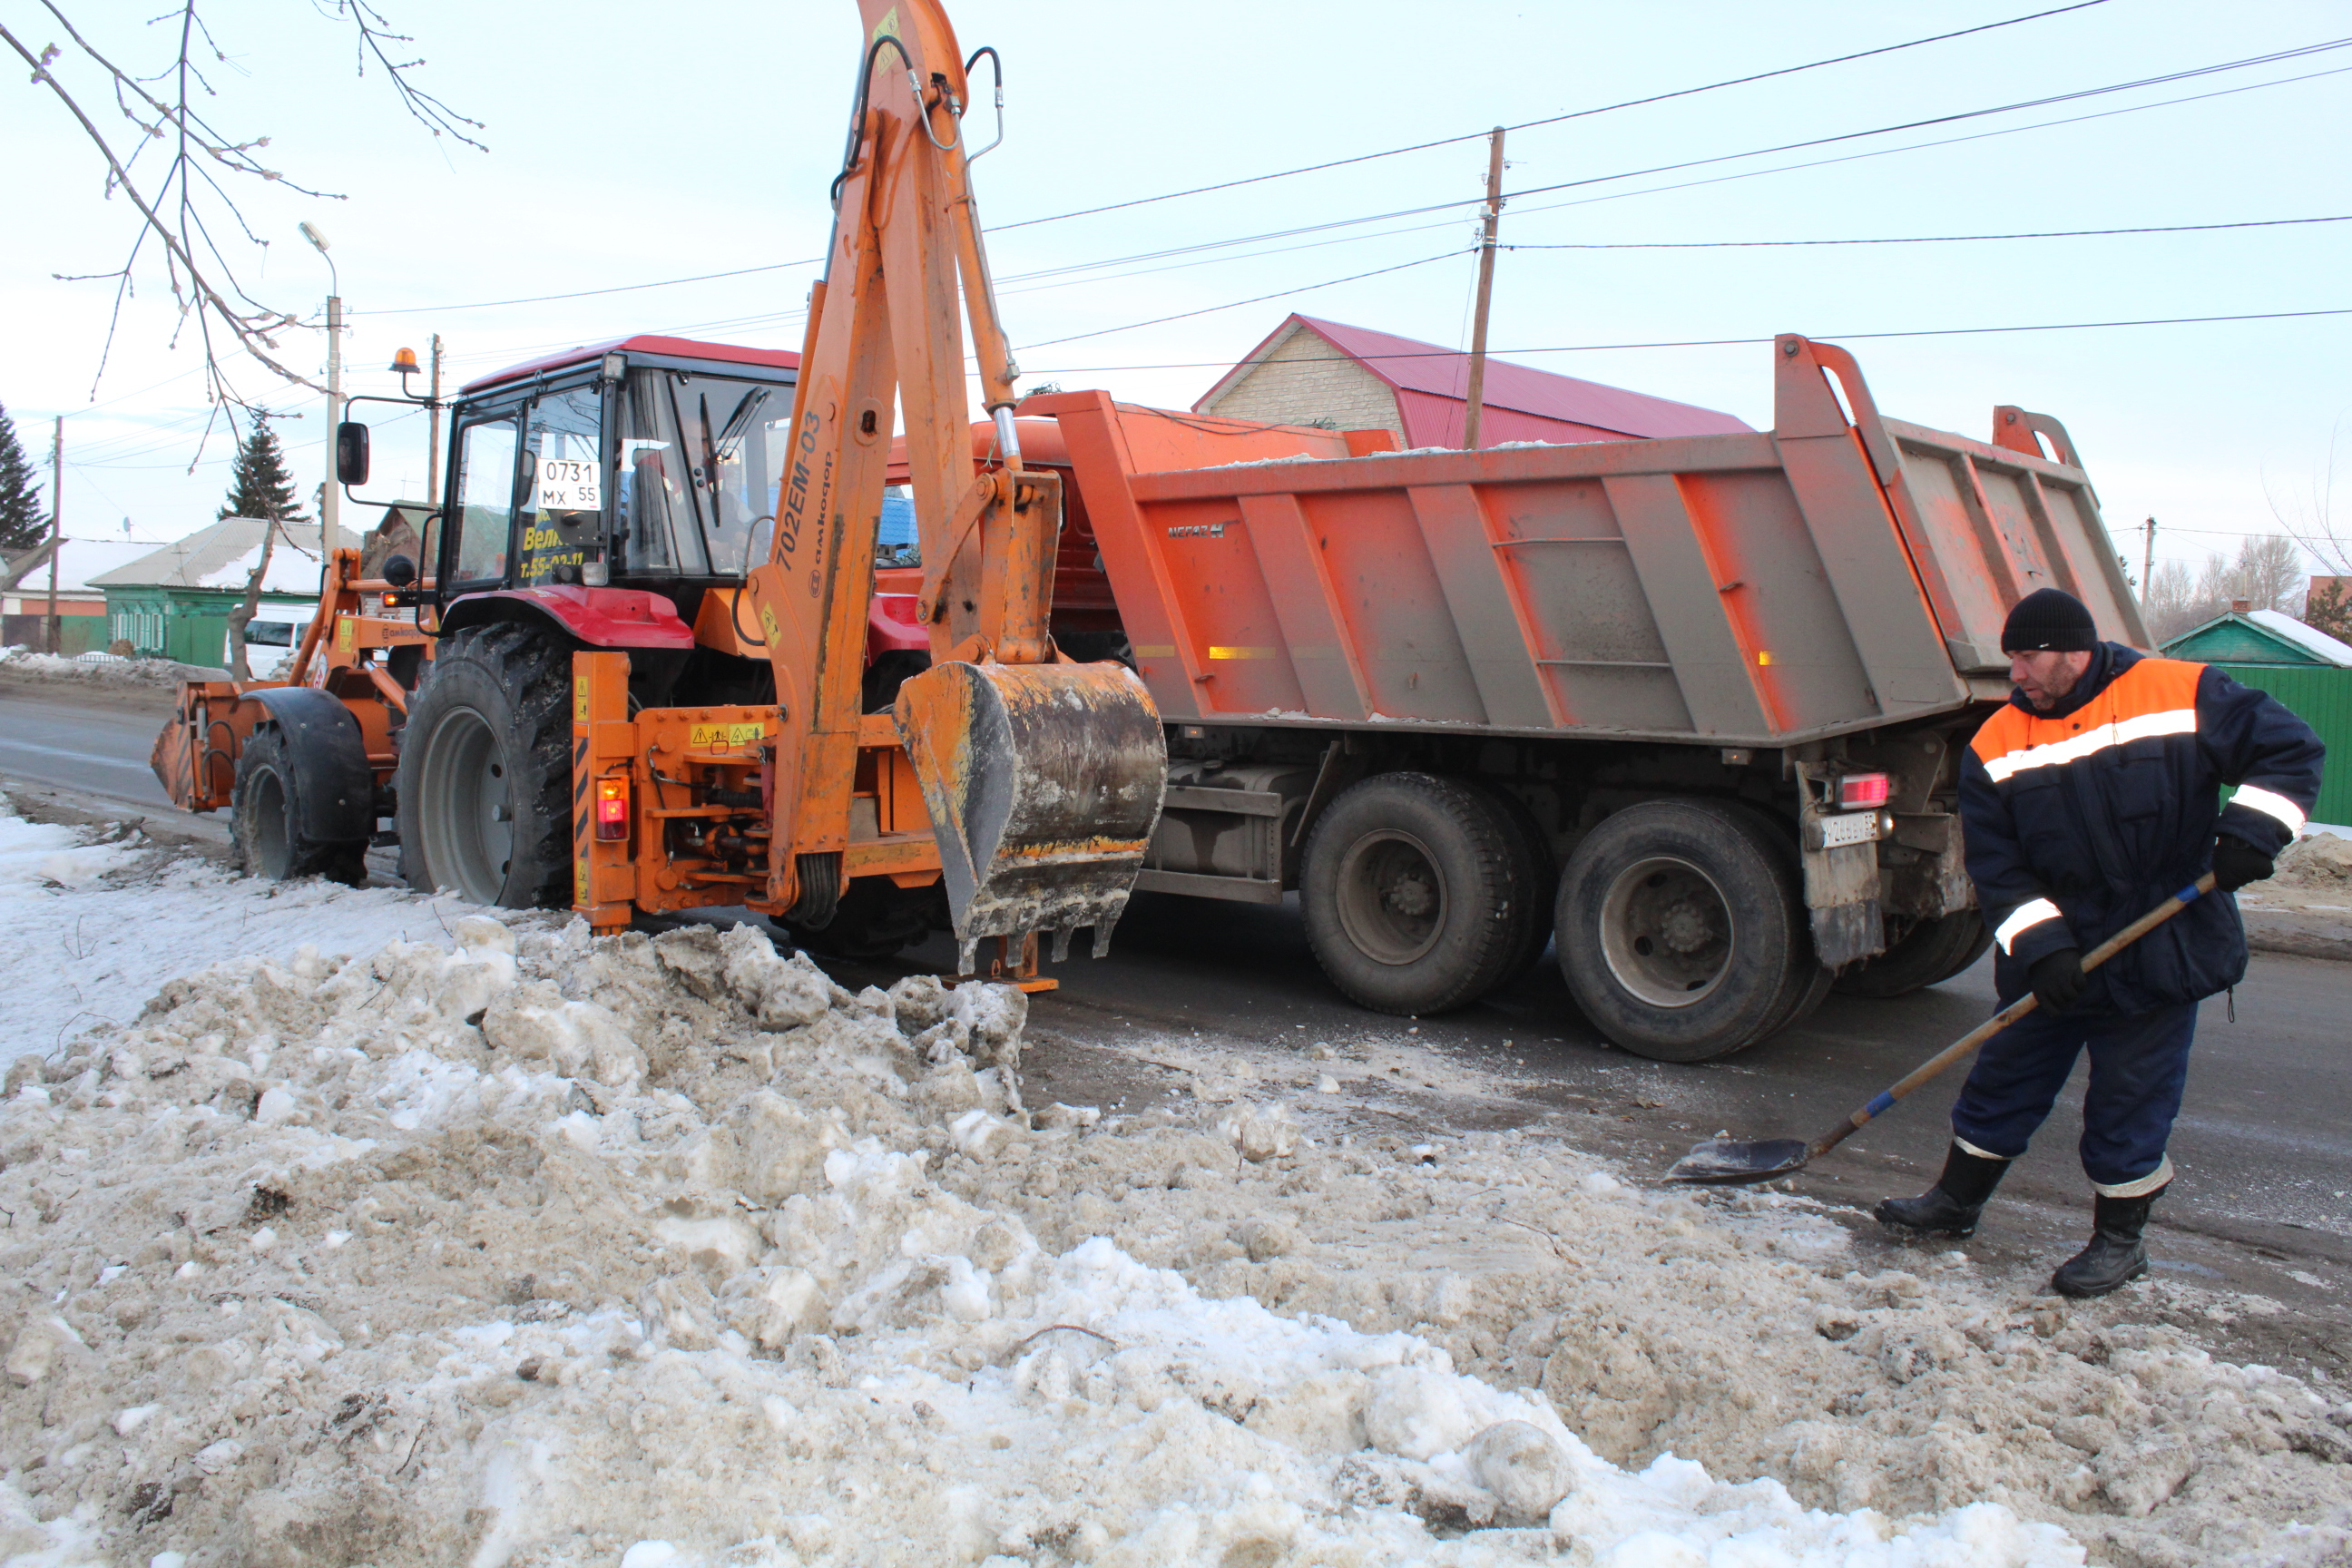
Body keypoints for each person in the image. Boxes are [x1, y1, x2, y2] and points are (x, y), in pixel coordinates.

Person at [1875, 587, 2324, 1297]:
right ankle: (1955, 1204)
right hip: (2056, 953)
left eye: (2028, 657)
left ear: (2072, 651)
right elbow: (1997, 868)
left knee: (2130, 1100)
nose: (2016, 673)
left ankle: (2120, 1243)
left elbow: (2290, 751)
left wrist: (2253, 832)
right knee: (2005, 1078)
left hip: (2161, 940)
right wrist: (2043, 948)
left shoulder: (2180, 690)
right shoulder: (1996, 742)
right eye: (2012, 658)